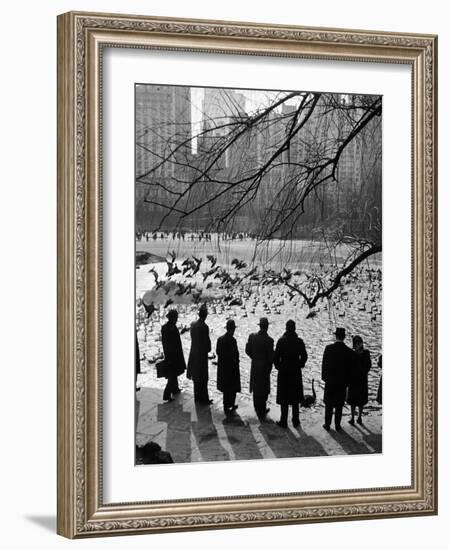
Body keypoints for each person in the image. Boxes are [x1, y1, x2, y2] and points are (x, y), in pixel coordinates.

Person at [273, 320, 308, 428]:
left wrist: (279, 367)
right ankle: (295, 420)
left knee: (284, 398)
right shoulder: (299, 341)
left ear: (286, 328)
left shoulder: (281, 341)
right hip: (296, 372)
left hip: (284, 372)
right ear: (294, 328)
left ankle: (283, 421)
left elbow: (275, 357)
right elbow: (305, 356)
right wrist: (301, 364)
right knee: (295, 398)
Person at [321, 327, 353, 431]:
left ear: (336, 336)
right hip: (342, 383)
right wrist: (348, 382)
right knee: (339, 404)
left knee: (329, 404)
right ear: (344, 337)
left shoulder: (328, 348)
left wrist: (325, 378)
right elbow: (349, 369)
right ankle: (337, 425)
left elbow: (324, 365)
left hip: (330, 381)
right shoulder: (348, 351)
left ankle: (327, 424)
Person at [245, 317, 274, 419]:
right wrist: (270, 367)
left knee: (256, 387)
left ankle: (257, 407)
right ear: (267, 327)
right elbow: (271, 357)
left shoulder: (252, 337)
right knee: (264, 389)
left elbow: (247, 350)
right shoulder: (269, 340)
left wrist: (254, 357)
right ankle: (262, 408)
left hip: (255, 366)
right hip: (265, 368)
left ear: (260, 326)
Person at [187, 304, 212, 404]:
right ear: (205, 315)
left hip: (193, 353)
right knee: (203, 377)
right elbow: (207, 343)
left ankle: (197, 397)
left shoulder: (193, 324)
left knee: (196, 377)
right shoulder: (205, 327)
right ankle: (204, 398)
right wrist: (208, 349)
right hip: (201, 355)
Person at [216, 319, 241, 414]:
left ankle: (226, 404)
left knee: (226, 388)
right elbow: (235, 354)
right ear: (233, 329)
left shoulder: (220, 339)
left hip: (223, 367)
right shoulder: (233, 340)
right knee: (233, 387)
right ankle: (231, 403)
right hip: (232, 367)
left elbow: (218, 352)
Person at [161, 309, 186, 402]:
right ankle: (167, 394)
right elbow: (174, 344)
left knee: (173, 373)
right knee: (172, 375)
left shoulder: (165, 327)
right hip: (174, 355)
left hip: (169, 354)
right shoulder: (172, 328)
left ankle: (175, 389)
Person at [347, 335, 371, 425]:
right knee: (353, 401)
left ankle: (359, 417)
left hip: (361, 380)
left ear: (361, 343)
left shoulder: (365, 353)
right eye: (356, 343)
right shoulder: (352, 353)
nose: (357, 344)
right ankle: (353, 417)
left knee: (361, 401)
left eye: (359, 343)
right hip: (354, 380)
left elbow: (368, 366)